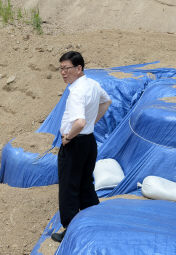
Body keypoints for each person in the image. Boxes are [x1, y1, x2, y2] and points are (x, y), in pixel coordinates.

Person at [51, 51, 112, 242]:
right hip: (89, 142)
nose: (63, 73)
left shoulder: (77, 91)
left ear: (79, 68)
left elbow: (79, 122)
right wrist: (92, 123)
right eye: (61, 69)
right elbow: (107, 101)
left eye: (66, 68)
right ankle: (94, 220)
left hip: (75, 143)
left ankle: (70, 229)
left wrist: (68, 137)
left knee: (69, 187)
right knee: (85, 183)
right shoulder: (93, 84)